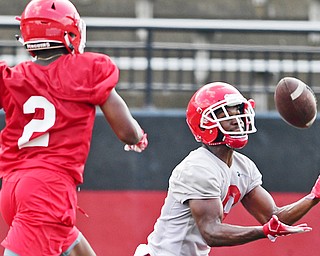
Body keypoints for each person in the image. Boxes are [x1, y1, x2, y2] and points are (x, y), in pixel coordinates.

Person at [0, 0, 148, 255]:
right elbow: (127, 131)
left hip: (12, 187)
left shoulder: (14, 76)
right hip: (48, 188)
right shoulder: (85, 70)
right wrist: (138, 136)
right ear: (69, 32)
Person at [134, 81, 320, 256]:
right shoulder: (198, 168)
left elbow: (274, 217)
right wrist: (263, 231)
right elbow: (211, 232)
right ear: (204, 125)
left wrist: (314, 196)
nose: (236, 121)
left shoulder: (243, 167)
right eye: (225, 116)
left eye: (238, 113)